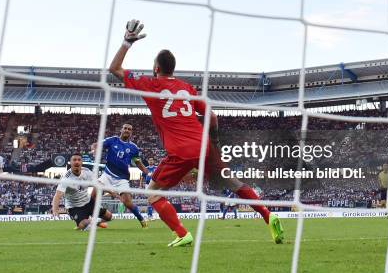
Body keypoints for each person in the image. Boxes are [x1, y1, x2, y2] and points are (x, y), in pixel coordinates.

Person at [108, 19, 284, 247]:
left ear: (156, 68)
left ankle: (182, 233)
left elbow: (114, 69)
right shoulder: (187, 88)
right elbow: (211, 116)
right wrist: (214, 144)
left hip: (180, 150)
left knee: (152, 193)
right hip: (203, 145)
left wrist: (127, 42)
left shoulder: (150, 84)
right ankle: (268, 216)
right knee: (234, 184)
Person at [91, 123, 149, 228]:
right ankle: (94, 217)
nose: (127, 130)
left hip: (122, 178)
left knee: (127, 202)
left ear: (131, 132)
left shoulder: (133, 148)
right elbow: (96, 144)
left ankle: (141, 219)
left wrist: (147, 173)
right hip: (107, 174)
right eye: (125, 128)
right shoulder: (113, 140)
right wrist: (95, 150)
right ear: (121, 130)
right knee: (93, 194)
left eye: (129, 129)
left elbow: (138, 162)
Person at [52, 154, 112, 230]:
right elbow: (58, 195)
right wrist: (55, 210)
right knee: (84, 225)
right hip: (74, 207)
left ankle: (93, 222)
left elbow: (98, 184)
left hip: (88, 201)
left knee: (109, 216)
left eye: (79, 160)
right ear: (70, 162)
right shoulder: (66, 179)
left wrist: (112, 192)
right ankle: (86, 222)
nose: (77, 162)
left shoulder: (87, 172)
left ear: (81, 162)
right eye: (74, 160)